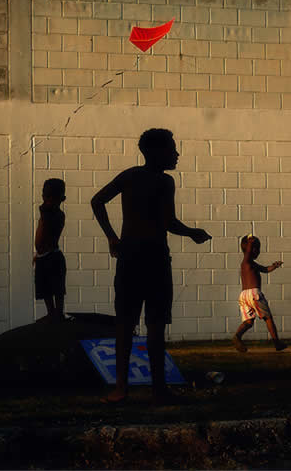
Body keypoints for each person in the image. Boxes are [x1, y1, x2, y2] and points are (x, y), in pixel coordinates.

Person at [91, 128, 212, 404]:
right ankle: (158, 389)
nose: (177, 154)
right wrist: (193, 232)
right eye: (172, 148)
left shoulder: (130, 175)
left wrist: (112, 237)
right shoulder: (164, 182)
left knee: (126, 324)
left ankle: (122, 388)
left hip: (131, 257)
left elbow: (97, 201)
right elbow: (168, 222)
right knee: (155, 325)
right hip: (154, 258)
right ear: (156, 152)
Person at [232, 234, 286, 352]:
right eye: (258, 248)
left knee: (248, 321)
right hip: (254, 294)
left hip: (243, 296)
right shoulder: (246, 261)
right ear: (252, 249)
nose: (258, 251)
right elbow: (248, 252)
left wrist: (274, 266)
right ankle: (277, 342)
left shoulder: (251, 264)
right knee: (268, 318)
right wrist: (251, 242)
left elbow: (266, 269)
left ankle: (237, 336)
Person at [34, 178, 67, 321]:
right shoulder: (48, 211)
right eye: (45, 197)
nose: (45, 201)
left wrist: (46, 206)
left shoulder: (55, 214)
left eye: (49, 198)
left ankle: (58, 313)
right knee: (44, 287)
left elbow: (48, 235)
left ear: (61, 199)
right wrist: (38, 253)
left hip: (53, 256)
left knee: (57, 287)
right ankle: (51, 312)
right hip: (43, 255)